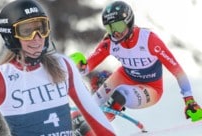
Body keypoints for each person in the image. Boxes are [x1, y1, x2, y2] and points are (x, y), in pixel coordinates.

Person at [0, 0, 116, 136]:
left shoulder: (63, 65)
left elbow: (92, 112)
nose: (36, 37)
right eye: (26, 31)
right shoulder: (0, 78)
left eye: (41, 28)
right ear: (11, 36)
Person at [70, 0, 202, 133]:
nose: (116, 33)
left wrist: (189, 100)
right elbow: (86, 67)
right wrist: (78, 66)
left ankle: (92, 129)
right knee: (91, 103)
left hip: (151, 88)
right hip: (124, 76)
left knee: (121, 93)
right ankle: (70, 126)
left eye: (119, 26)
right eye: (110, 28)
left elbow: (177, 70)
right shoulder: (110, 42)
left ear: (129, 22)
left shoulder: (149, 40)